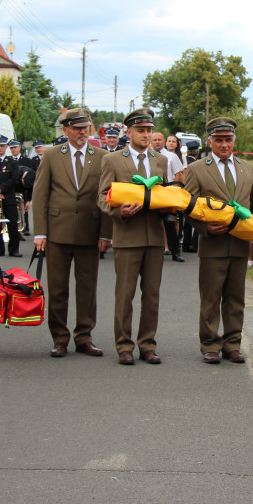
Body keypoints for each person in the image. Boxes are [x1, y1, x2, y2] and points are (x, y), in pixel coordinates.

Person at [183, 117, 253, 364]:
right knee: (210, 297)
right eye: (218, 140)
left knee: (236, 298)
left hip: (240, 246)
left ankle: (232, 344)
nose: (224, 144)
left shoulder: (245, 167)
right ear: (209, 141)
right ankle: (210, 344)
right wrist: (204, 226)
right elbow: (187, 206)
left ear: (234, 140)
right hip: (212, 245)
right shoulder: (197, 169)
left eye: (228, 139)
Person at [31, 108, 111, 358]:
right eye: (76, 128)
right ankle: (60, 338)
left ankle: (84, 337)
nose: (82, 132)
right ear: (65, 130)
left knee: (87, 288)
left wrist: (106, 234)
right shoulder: (52, 155)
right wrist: (40, 233)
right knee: (57, 289)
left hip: (90, 231)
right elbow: (40, 195)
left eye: (85, 127)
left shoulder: (101, 156)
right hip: (57, 233)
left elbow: (109, 195)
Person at [98, 108, 169, 365]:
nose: (146, 135)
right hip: (127, 236)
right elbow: (102, 197)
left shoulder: (160, 160)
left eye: (149, 130)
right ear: (128, 132)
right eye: (141, 130)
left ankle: (147, 345)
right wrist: (119, 211)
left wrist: (169, 206)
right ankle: (124, 346)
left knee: (152, 295)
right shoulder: (113, 160)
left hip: (153, 237)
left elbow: (165, 193)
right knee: (124, 295)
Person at [0, 135, 21, 257]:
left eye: (2, 146)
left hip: (8, 198)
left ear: (6, 147)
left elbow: (14, 179)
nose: (0, 148)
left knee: (12, 224)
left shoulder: (12, 162)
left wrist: (1, 189)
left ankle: (14, 249)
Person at [160, 134, 187, 261]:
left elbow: (179, 174)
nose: (157, 142)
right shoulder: (147, 154)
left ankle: (174, 250)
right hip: (152, 192)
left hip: (168, 191)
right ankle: (161, 247)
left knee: (170, 221)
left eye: (159, 139)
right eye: (154, 140)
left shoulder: (172, 156)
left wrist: (175, 191)